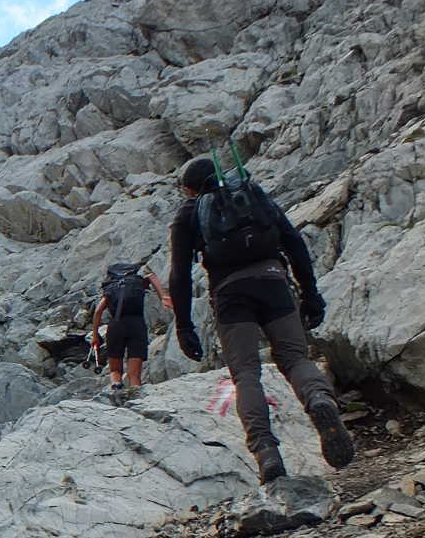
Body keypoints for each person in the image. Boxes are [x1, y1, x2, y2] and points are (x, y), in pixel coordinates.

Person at [169, 157, 354, 484]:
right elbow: (292, 240)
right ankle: (320, 400)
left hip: (230, 295)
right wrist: (310, 293)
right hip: (273, 283)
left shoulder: (189, 213)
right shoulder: (250, 194)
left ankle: (266, 452)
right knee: (295, 358)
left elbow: (180, 275)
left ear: (189, 189)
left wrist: (184, 325)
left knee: (245, 374)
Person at [90, 262, 172, 390]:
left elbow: (98, 312)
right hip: (137, 325)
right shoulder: (136, 283)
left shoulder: (111, 288)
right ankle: (135, 395)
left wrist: (95, 335)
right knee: (134, 374)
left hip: (116, 326)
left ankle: (116, 390)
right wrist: (163, 296)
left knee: (115, 371)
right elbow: (151, 276)